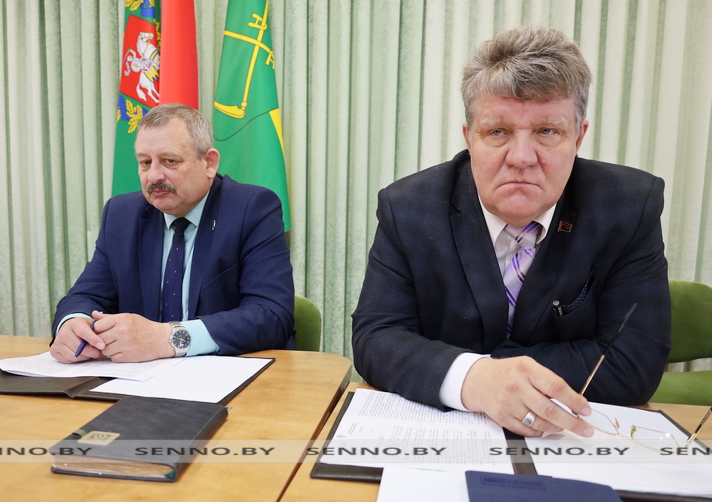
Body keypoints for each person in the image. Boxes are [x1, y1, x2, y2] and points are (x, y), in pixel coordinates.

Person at [351, 26, 671, 438]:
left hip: (571, 442)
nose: (521, 158)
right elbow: (376, 338)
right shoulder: (409, 207)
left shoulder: (629, 206)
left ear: (578, 138)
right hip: (444, 437)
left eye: (547, 131)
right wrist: (474, 380)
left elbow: (634, 362)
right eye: (498, 132)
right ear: (470, 139)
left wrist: (494, 374)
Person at [51, 103, 294, 363]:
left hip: (228, 373)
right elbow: (86, 296)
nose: (154, 176)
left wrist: (168, 338)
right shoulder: (121, 214)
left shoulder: (252, 209)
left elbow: (271, 315)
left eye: (170, 161)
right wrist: (73, 323)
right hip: (138, 378)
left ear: (209, 163)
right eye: (145, 163)